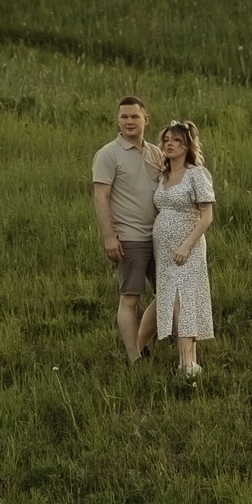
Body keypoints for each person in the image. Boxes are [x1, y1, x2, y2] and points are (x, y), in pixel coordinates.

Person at [90, 95, 164, 360]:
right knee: (130, 298)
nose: (129, 121)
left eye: (134, 116)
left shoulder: (157, 152)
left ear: (146, 119)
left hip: (160, 237)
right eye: (124, 117)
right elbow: (101, 197)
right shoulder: (108, 154)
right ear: (117, 121)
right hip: (129, 238)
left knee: (168, 293)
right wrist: (110, 237)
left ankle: (143, 343)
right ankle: (134, 359)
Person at [150, 120, 216, 382]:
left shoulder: (196, 174)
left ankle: (188, 366)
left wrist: (187, 245)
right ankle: (187, 362)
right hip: (164, 251)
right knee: (172, 303)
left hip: (187, 249)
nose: (169, 144)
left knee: (184, 302)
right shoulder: (163, 176)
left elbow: (207, 216)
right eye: (166, 139)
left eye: (176, 140)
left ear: (187, 144)